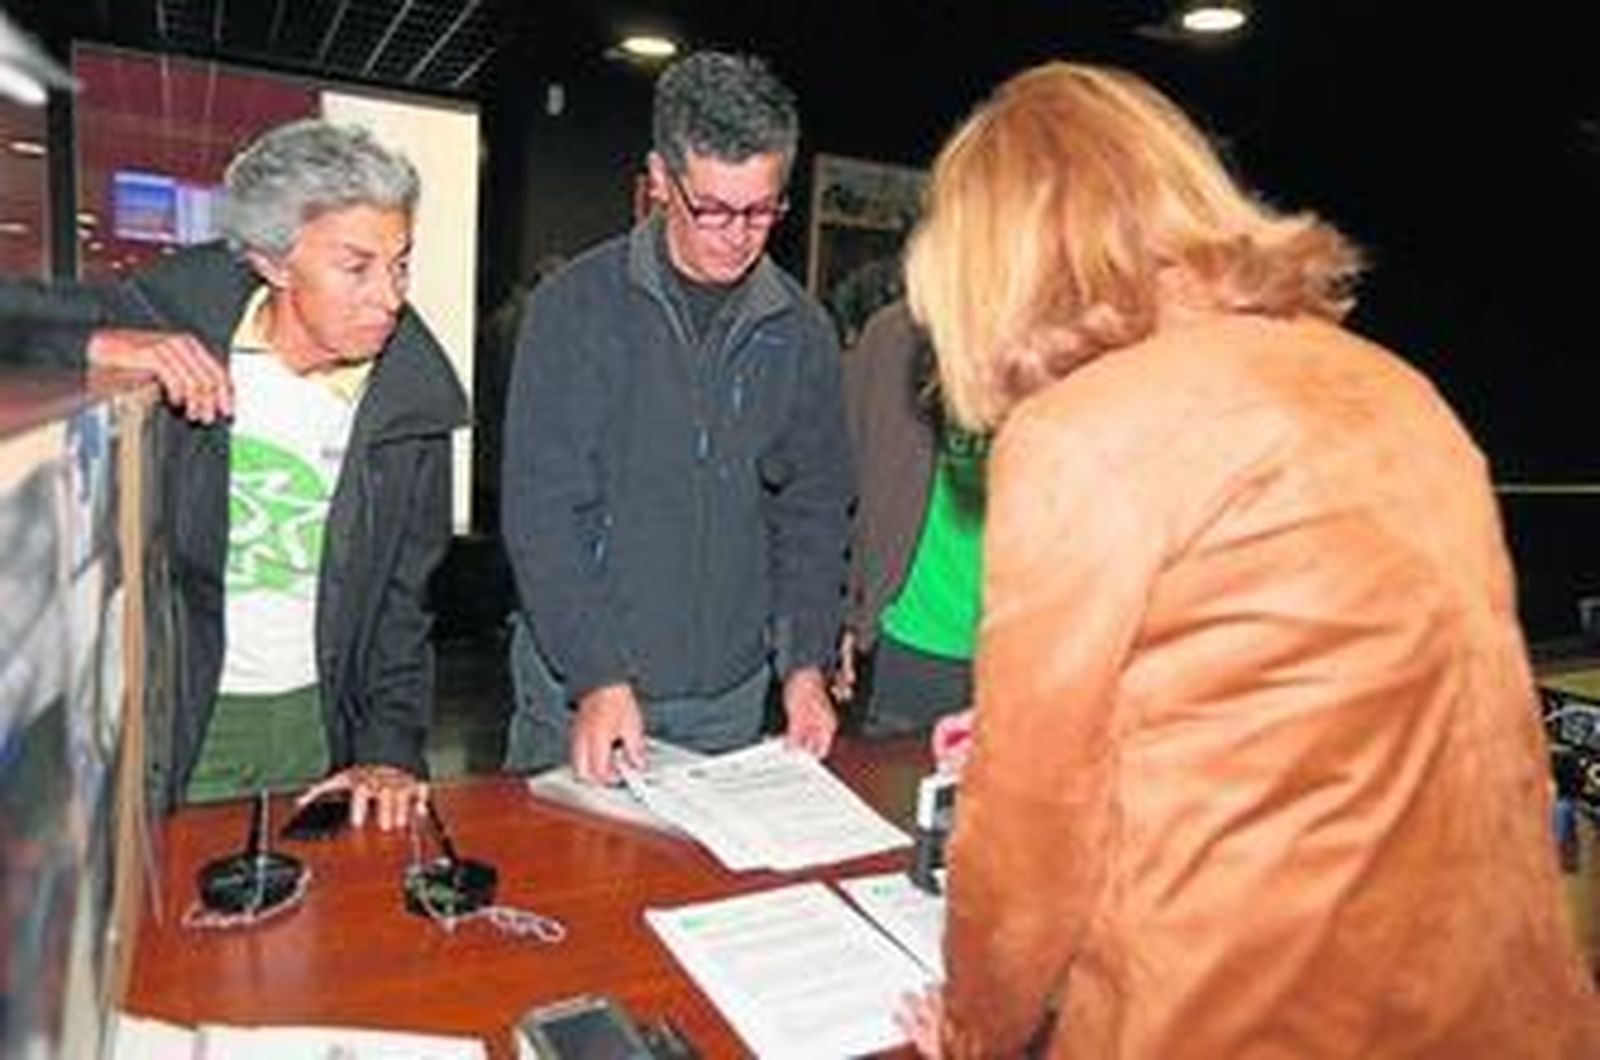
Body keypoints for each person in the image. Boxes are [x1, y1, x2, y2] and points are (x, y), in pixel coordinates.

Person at [894, 62, 1599, 1057]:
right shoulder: (1400, 391)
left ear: (993, 266)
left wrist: (972, 1031)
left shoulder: (1080, 432)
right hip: (1496, 1008)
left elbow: (1029, 836)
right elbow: (1399, 728)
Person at [1, 120, 468, 830]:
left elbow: (402, 609)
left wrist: (390, 749)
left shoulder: (413, 402)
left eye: (400, 263)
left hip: (320, 726)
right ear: (274, 262)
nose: (391, 296)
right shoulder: (170, 320)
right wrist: (97, 341)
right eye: (356, 266)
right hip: (179, 721)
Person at [501, 51, 850, 784]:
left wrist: (805, 665)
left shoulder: (802, 330)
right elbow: (541, 513)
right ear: (659, 179)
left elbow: (814, 512)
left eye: (762, 209)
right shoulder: (573, 308)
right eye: (714, 209)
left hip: (725, 697)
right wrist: (596, 674)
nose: (739, 234)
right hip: (578, 688)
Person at [835, 299, 985, 736]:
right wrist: (846, 611)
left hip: (1031, 658)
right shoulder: (896, 336)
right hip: (911, 645)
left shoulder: (1080, 341)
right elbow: (841, 476)